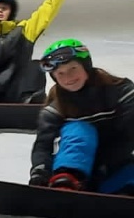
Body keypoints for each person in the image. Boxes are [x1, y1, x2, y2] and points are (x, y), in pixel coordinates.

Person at [29, 39, 134, 193]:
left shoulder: (121, 91)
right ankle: (67, 183)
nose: (68, 77)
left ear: (86, 67)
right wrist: (40, 172)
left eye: (73, 68)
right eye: (60, 73)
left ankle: (122, 195)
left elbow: (129, 134)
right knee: (78, 130)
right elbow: (43, 145)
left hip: (113, 165)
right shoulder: (56, 108)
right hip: (73, 167)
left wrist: (104, 165)